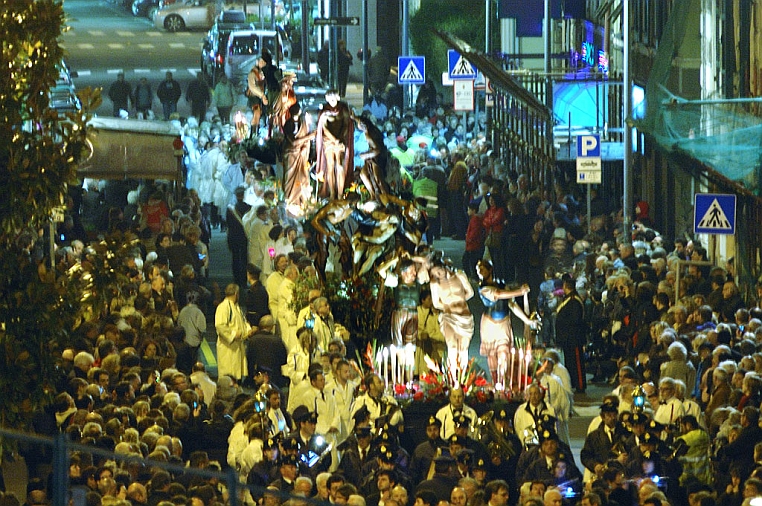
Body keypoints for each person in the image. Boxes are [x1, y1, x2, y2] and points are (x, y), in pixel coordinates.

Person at [476, 259, 535, 388]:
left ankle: (502, 382)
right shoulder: (483, 288)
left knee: (504, 354)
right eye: (478, 270)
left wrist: (527, 320)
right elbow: (498, 295)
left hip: (503, 324)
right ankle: (495, 381)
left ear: (490, 269)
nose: (480, 272)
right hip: (489, 325)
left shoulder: (502, 285)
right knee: (492, 356)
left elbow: (511, 304)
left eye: (482, 269)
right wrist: (520, 291)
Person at [429, 260, 474, 375]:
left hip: (464, 316)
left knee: (463, 347)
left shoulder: (459, 275)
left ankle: (462, 377)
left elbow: (470, 292)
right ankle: (452, 375)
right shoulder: (435, 284)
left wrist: (460, 301)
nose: (438, 275)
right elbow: (436, 303)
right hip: (449, 316)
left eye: (439, 271)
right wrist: (448, 305)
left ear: (443, 267)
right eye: (435, 274)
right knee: (452, 344)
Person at [315, 89, 354, 200]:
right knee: (330, 166)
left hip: (340, 140)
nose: (332, 101)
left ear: (337, 98)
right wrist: (333, 139)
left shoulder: (343, 109)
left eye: (334, 99)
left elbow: (347, 124)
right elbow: (324, 128)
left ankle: (340, 194)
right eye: (330, 99)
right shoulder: (325, 111)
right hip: (329, 141)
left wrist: (340, 137)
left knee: (340, 166)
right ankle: (332, 193)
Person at [215, 283, 254, 382]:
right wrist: (233, 334)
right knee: (229, 377)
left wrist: (248, 331)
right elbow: (220, 325)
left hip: (237, 346)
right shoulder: (223, 307)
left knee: (237, 375)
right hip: (228, 347)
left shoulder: (236, 307)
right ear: (236, 294)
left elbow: (243, 322)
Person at [555, 276, 587, 393]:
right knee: (570, 362)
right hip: (567, 338)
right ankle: (573, 382)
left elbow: (575, 320)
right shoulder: (568, 299)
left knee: (577, 363)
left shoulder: (574, 301)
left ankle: (580, 384)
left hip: (574, 337)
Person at [282, 103, 315, 213]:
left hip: (302, 154)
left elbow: (305, 139)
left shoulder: (303, 123)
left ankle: (302, 199)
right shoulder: (288, 125)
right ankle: (290, 198)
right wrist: (309, 137)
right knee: (290, 177)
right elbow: (293, 142)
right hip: (291, 154)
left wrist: (305, 146)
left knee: (303, 177)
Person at [226, 187, 252, 289]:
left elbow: (228, 224)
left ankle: (236, 279)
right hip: (244, 236)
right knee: (245, 258)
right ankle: (244, 280)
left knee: (235, 258)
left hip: (233, 237)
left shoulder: (230, 210)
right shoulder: (249, 208)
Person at [247, 57, 269, 131]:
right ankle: (253, 131)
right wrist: (262, 95)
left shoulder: (263, 73)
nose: (263, 64)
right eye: (261, 62)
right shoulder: (252, 74)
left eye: (264, 63)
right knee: (257, 112)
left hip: (263, 96)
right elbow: (252, 87)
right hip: (254, 97)